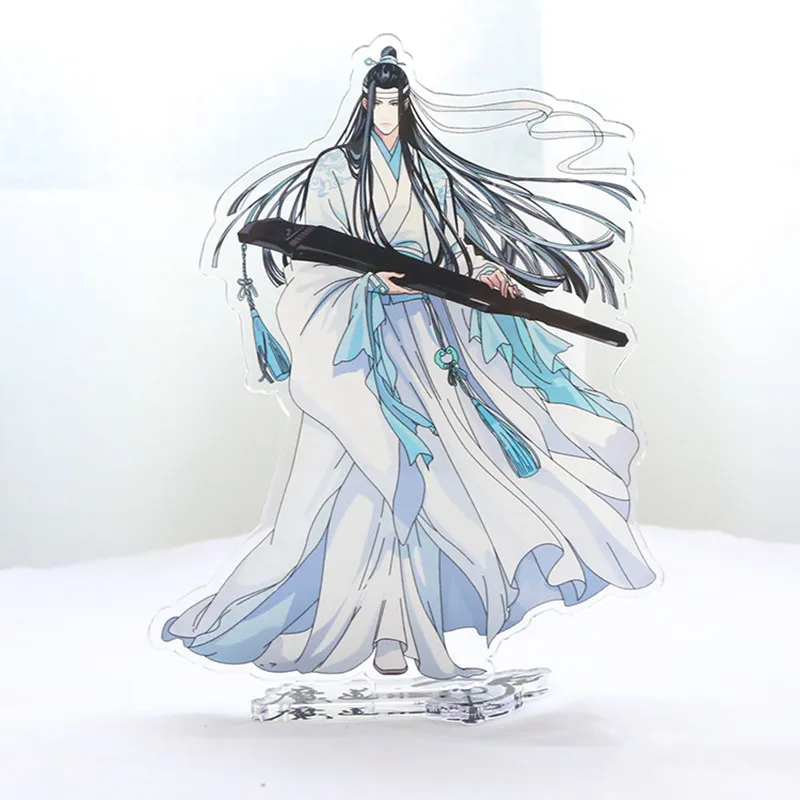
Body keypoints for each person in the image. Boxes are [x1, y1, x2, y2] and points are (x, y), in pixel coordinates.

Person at [161, 46, 657, 679]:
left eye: (397, 104)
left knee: (443, 484)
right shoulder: (335, 173)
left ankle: (408, 626)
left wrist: (484, 270)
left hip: (429, 343)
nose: (388, 116)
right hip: (359, 349)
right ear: (365, 105)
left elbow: (452, 247)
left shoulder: (429, 175)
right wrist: (371, 284)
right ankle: (365, 621)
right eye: (380, 104)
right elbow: (314, 262)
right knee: (364, 480)